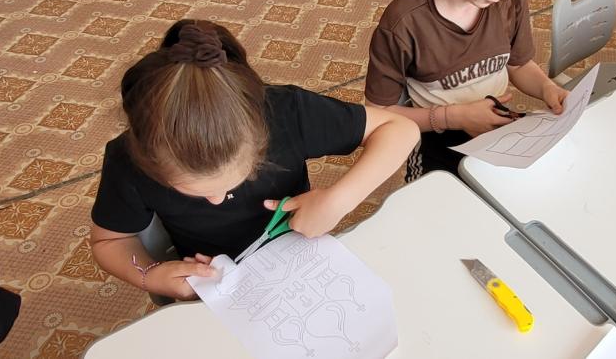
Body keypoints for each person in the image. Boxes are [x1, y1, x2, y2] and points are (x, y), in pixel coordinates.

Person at [90, 20, 419, 300]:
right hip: (219, 289)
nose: (217, 200)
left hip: (301, 259)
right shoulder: (128, 159)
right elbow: (110, 240)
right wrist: (150, 275)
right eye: (194, 190)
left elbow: (401, 129)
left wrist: (339, 199)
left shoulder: (284, 113)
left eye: (234, 180)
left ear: (261, 138)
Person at [365, 0, 568, 181]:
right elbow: (378, 114)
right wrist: (455, 117)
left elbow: (518, 65)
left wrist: (547, 88)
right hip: (435, 140)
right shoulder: (403, 24)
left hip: (495, 128)